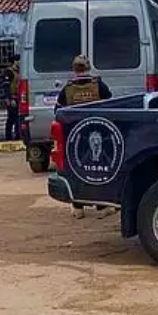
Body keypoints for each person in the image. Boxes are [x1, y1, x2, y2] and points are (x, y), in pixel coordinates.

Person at [57, 55, 114, 219]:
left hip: (75, 137)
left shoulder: (67, 89)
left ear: (74, 69)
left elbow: (58, 111)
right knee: (98, 169)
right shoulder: (99, 86)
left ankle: (78, 207)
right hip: (97, 135)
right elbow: (110, 106)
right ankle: (102, 205)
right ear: (89, 68)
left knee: (77, 169)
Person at [2, 53, 21, 141]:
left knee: (18, 118)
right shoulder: (9, 72)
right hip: (12, 98)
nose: (20, 62)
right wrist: (10, 98)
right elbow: (6, 86)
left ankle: (18, 135)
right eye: (18, 60)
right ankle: (8, 136)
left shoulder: (20, 71)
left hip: (19, 98)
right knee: (11, 118)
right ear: (15, 61)